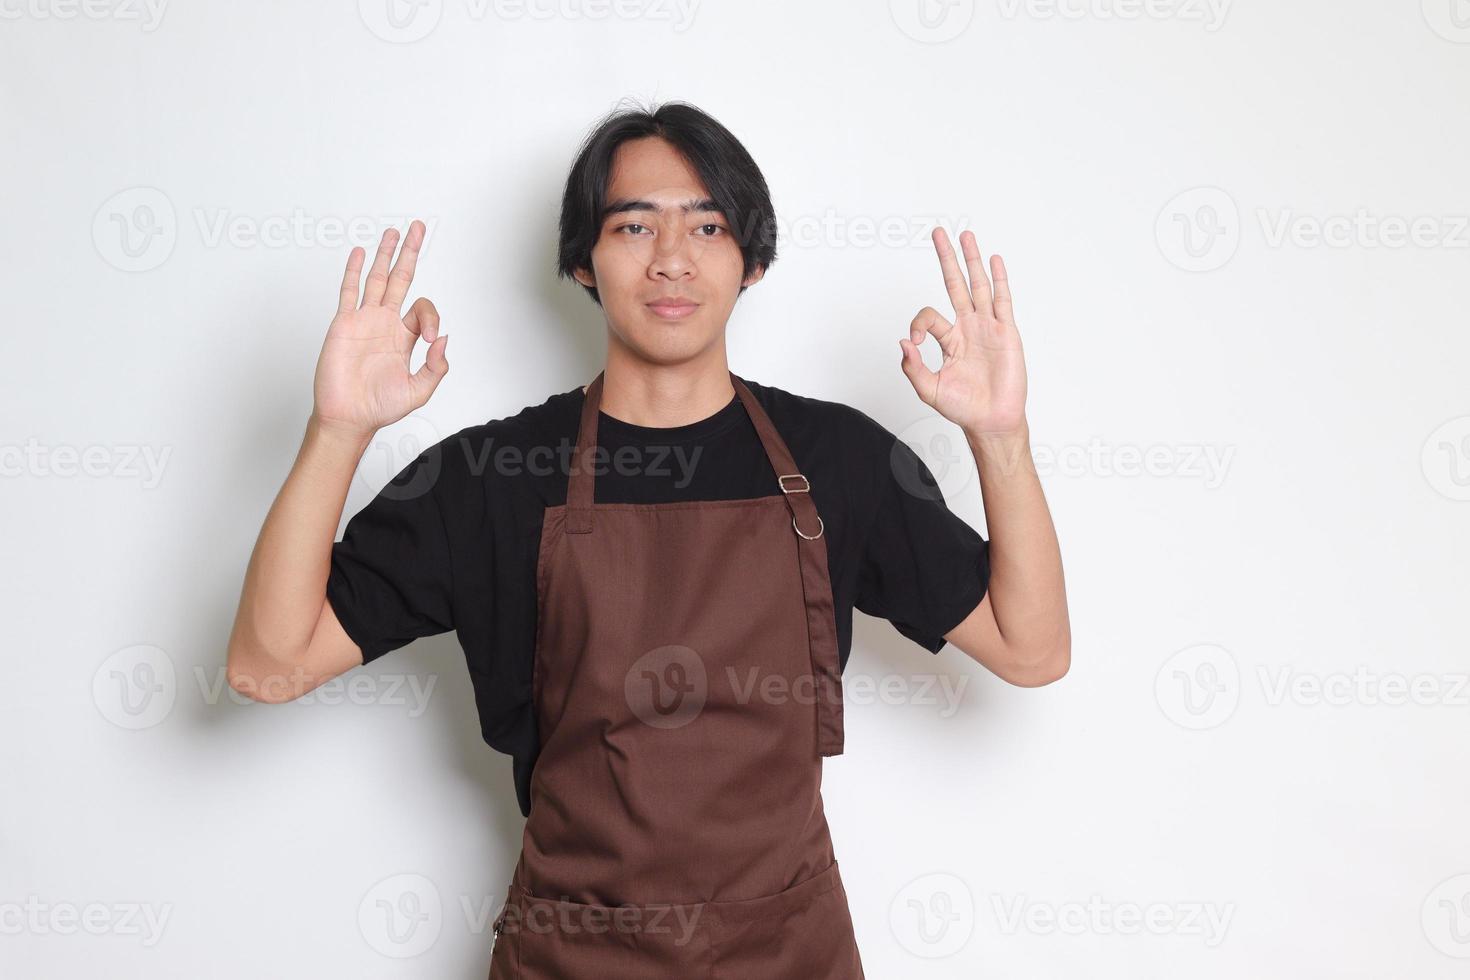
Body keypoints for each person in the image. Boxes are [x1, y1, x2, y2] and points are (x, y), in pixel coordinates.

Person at [225, 100, 1069, 979]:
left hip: (788, 955)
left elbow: (1031, 647)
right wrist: (337, 431)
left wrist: (1000, 437)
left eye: (707, 225)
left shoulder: (840, 460)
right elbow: (266, 662)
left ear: (755, 259)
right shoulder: (493, 475)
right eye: (634, 225)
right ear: (584, 261)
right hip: (573, 959)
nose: (672, 258)